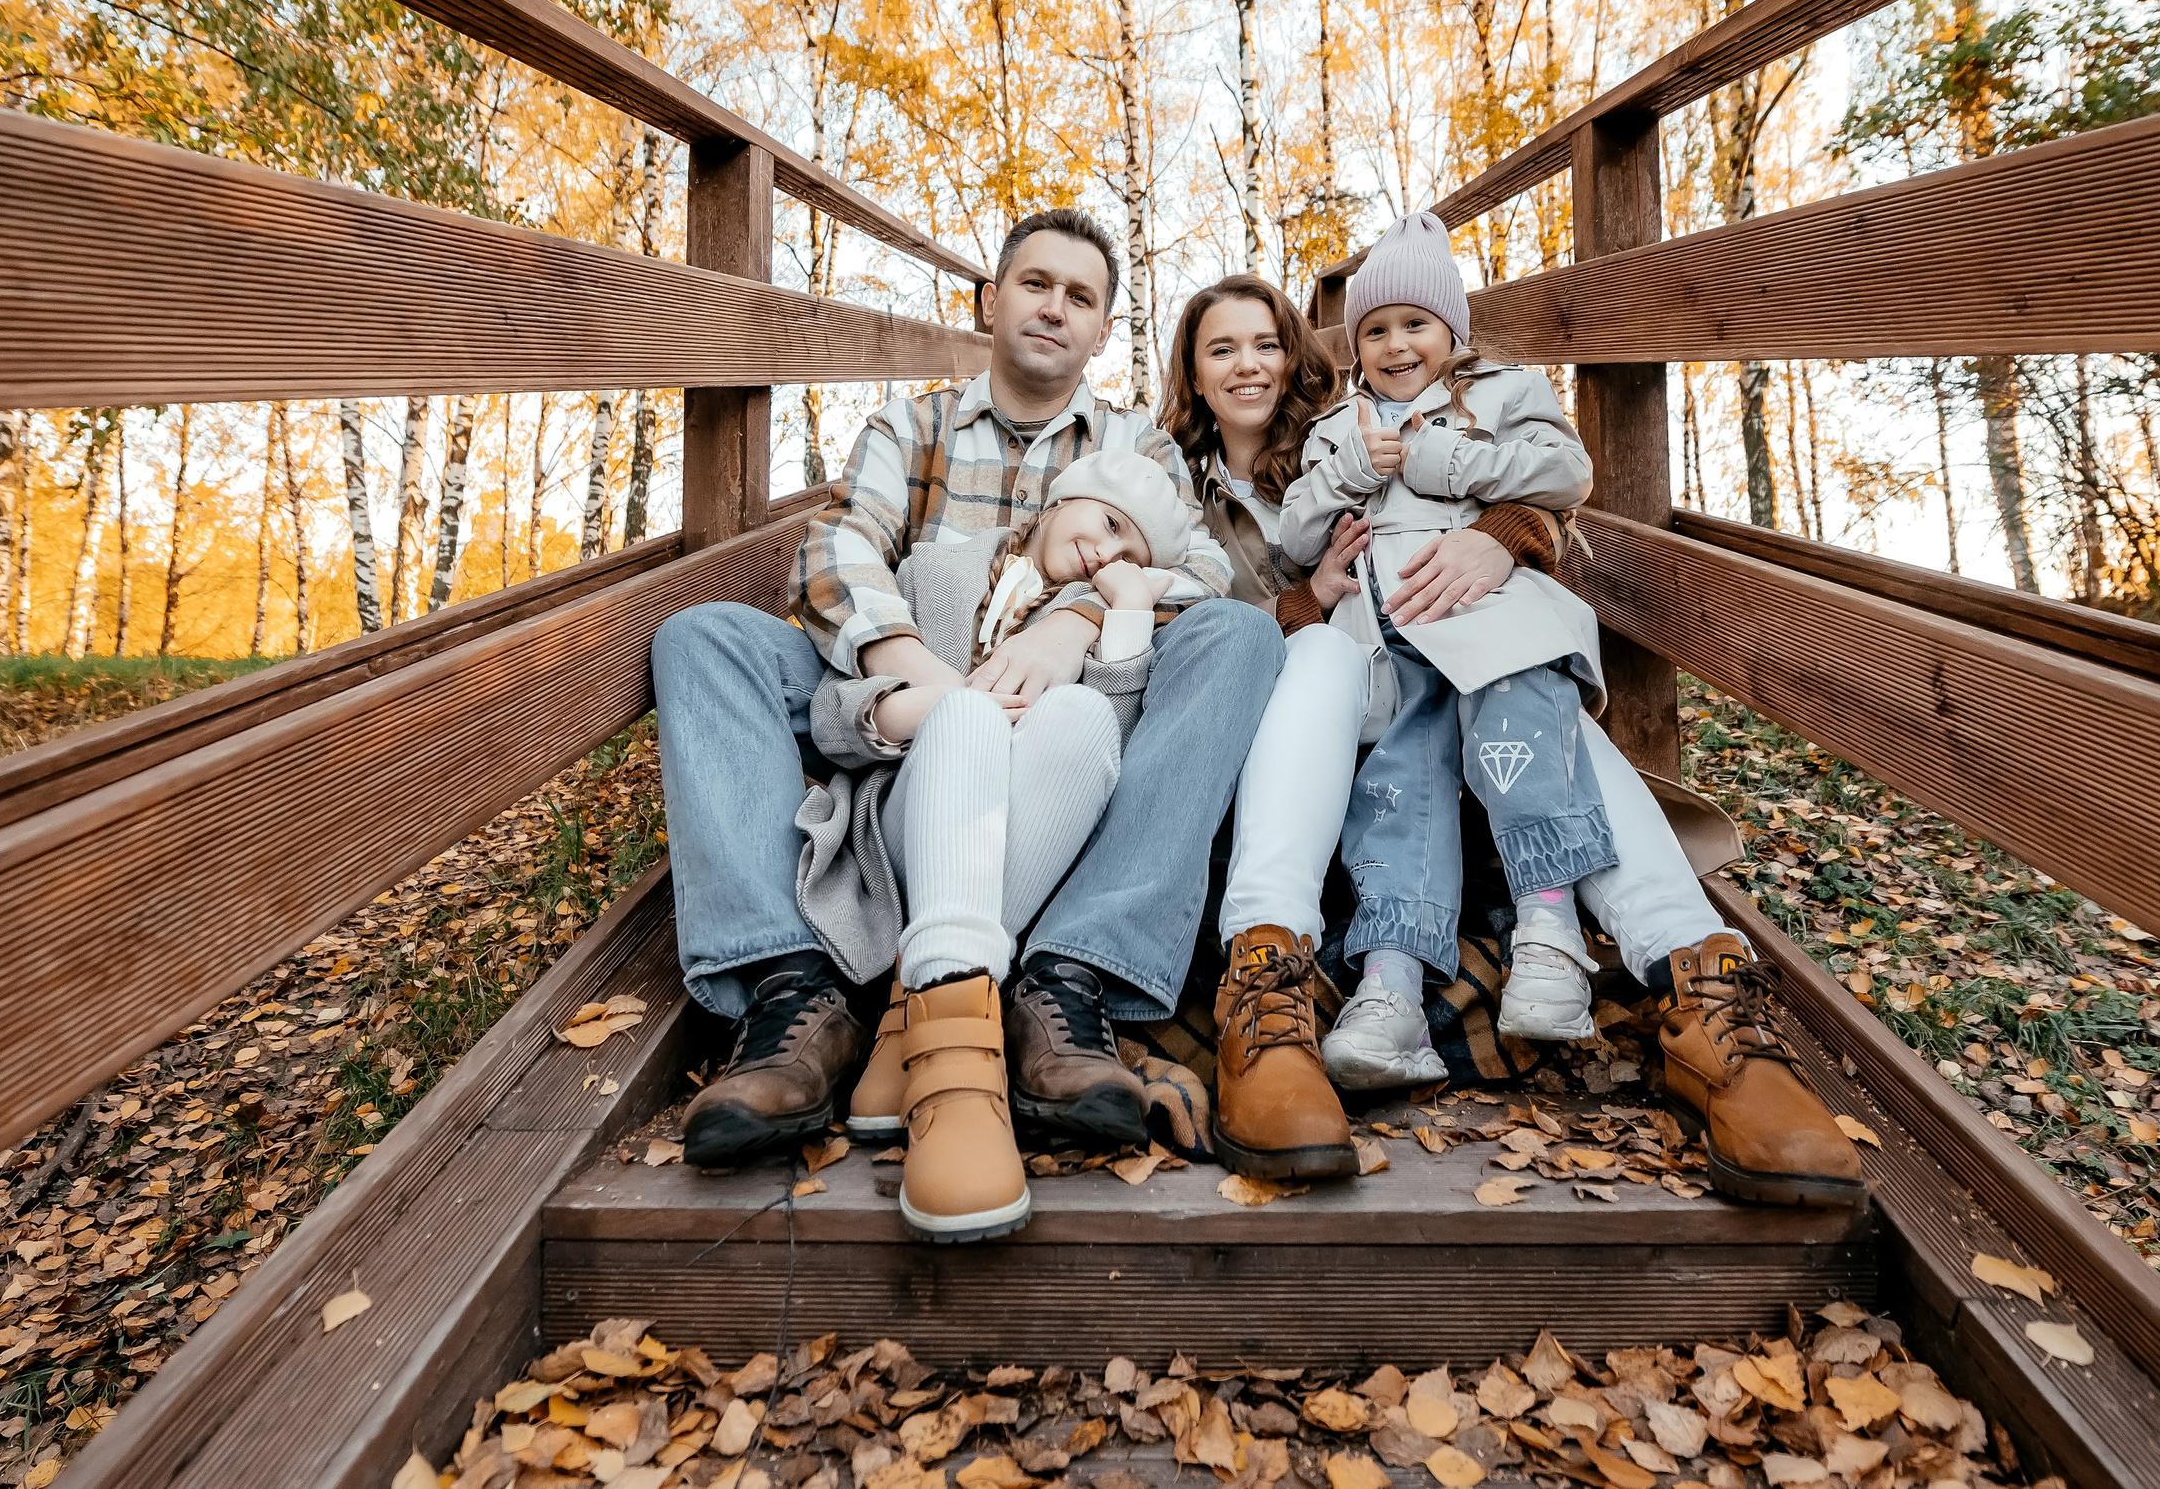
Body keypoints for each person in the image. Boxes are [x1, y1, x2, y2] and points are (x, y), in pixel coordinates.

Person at [651, 209, 1288, 1217]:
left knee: (1242, 637)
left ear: (1101, 329)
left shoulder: (1136, 446)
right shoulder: (915, 428)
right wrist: (921, 678)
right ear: (990, 300)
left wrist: (1073, 619)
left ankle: (1071, 977)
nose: (1053, 308)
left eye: (1081, 297)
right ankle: (791, 990)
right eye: (1035, 284)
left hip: (1063, 742)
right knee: (705, 638)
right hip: (914, 706)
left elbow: (1202, 568)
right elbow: (836, 548)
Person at [1280, 211, 1864, 1208]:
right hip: (1377, 649)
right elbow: (1294, 535)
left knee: (1522, 713)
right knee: (1406, 776)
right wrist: (1346, 486)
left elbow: (1560, 472)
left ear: (1454, 333)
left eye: (1415, 325)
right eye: (1373, 331)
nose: (1393, 347)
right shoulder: (1334, 429)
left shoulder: (1494, 396)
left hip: (1489, 620)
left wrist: (1453, 484)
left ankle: (1591, 947)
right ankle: (1397, 983)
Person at [1156, 272, 1574, 1176]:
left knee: (1490, 687)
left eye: (1267, 343)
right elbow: (1183, 637)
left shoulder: (1358, 426)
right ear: (1191, 371)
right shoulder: (1173, 484)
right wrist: (1305, 601)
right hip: (1262, 717)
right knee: (1312, 658)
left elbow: (1531, 496)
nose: (1249, 365)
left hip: (1400, 685)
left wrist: (1500, 536)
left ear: (1299, 352)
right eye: (1221, 348)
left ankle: (1541, 928)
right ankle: (1284, 973)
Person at [798, 449, 1192, 1240]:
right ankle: (938, 1042)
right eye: (1108, 523)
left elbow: (1106, 752)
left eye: (1131, 555)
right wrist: (946, 703)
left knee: (1080, 717)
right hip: (905, 828)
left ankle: (931, 1006)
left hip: (1021, 853)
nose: (1108, 552)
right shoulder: (934, 568)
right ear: (1063, 497)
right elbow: (832, 715)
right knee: (972, 719)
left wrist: (1119, 610)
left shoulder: (1095, 614)